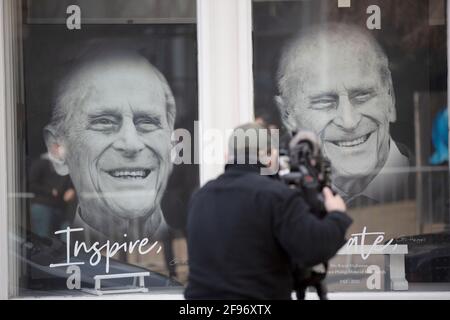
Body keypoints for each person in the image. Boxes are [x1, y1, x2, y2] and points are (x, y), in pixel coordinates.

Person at [184, 122, 352, 299]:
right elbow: (314, 248)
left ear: (228, 156)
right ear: (270, 156)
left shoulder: (200, 196)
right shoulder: (276, 196)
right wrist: (337, 215)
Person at [43, 44, 176, 242]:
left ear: (171, 144)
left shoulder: (194, 247)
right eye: (104, 122)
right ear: (57, 150)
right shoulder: (52, 265)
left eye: (147, 122)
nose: (131, 144)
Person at [275, 23, 411, 205]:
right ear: (287, 116)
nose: (349, 122)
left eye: (362, 95)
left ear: (391, 98)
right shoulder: (277, 201)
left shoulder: (437, 189)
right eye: (324, 102)